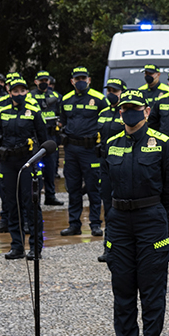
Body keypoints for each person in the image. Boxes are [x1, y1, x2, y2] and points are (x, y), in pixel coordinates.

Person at [100, 95, 169, 336]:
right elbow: (104, 189)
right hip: (119, 220)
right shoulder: (111, 144)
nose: (129, 114)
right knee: (122, 287)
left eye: (135, 110)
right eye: (125, 110)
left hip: (150, 220)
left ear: (146, 111)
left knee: (151, 288)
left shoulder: (162, 143)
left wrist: (164, 223)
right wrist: (108, 223)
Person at [0, 74, 49, 260]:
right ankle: (17, 246)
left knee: (30, 204)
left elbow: (43, 138)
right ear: (9, 91)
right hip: (8, 162)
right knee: (11, 204)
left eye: (22, 91)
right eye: (15, 91)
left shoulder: (33, 110)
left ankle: (35, 247)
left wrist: (39, 165)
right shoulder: (2, 108)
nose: (19, 94)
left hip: (27, 162)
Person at [58, 66, 107, 238]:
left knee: (94, 187)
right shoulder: (66, 99)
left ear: (89, 80)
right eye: (77, 78)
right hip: (71, 149)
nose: (80, 81)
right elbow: (62, 122)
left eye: (83, 78)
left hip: (90, 150)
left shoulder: (99, 99)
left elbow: (106, 122)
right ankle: (74, 224)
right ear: (72, 81)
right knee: (73, 188)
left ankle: (95, 224)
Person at [31, 71, 64, 206]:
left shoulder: (55, 96)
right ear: (36, 81)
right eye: (41, 80)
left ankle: (50, 195)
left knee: (50, 168)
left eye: (46, 80)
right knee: (35, 168)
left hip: (51, 136)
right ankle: (35, 195)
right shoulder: (30, 96)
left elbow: (62, 114)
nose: (44, 82)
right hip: (36, 137)